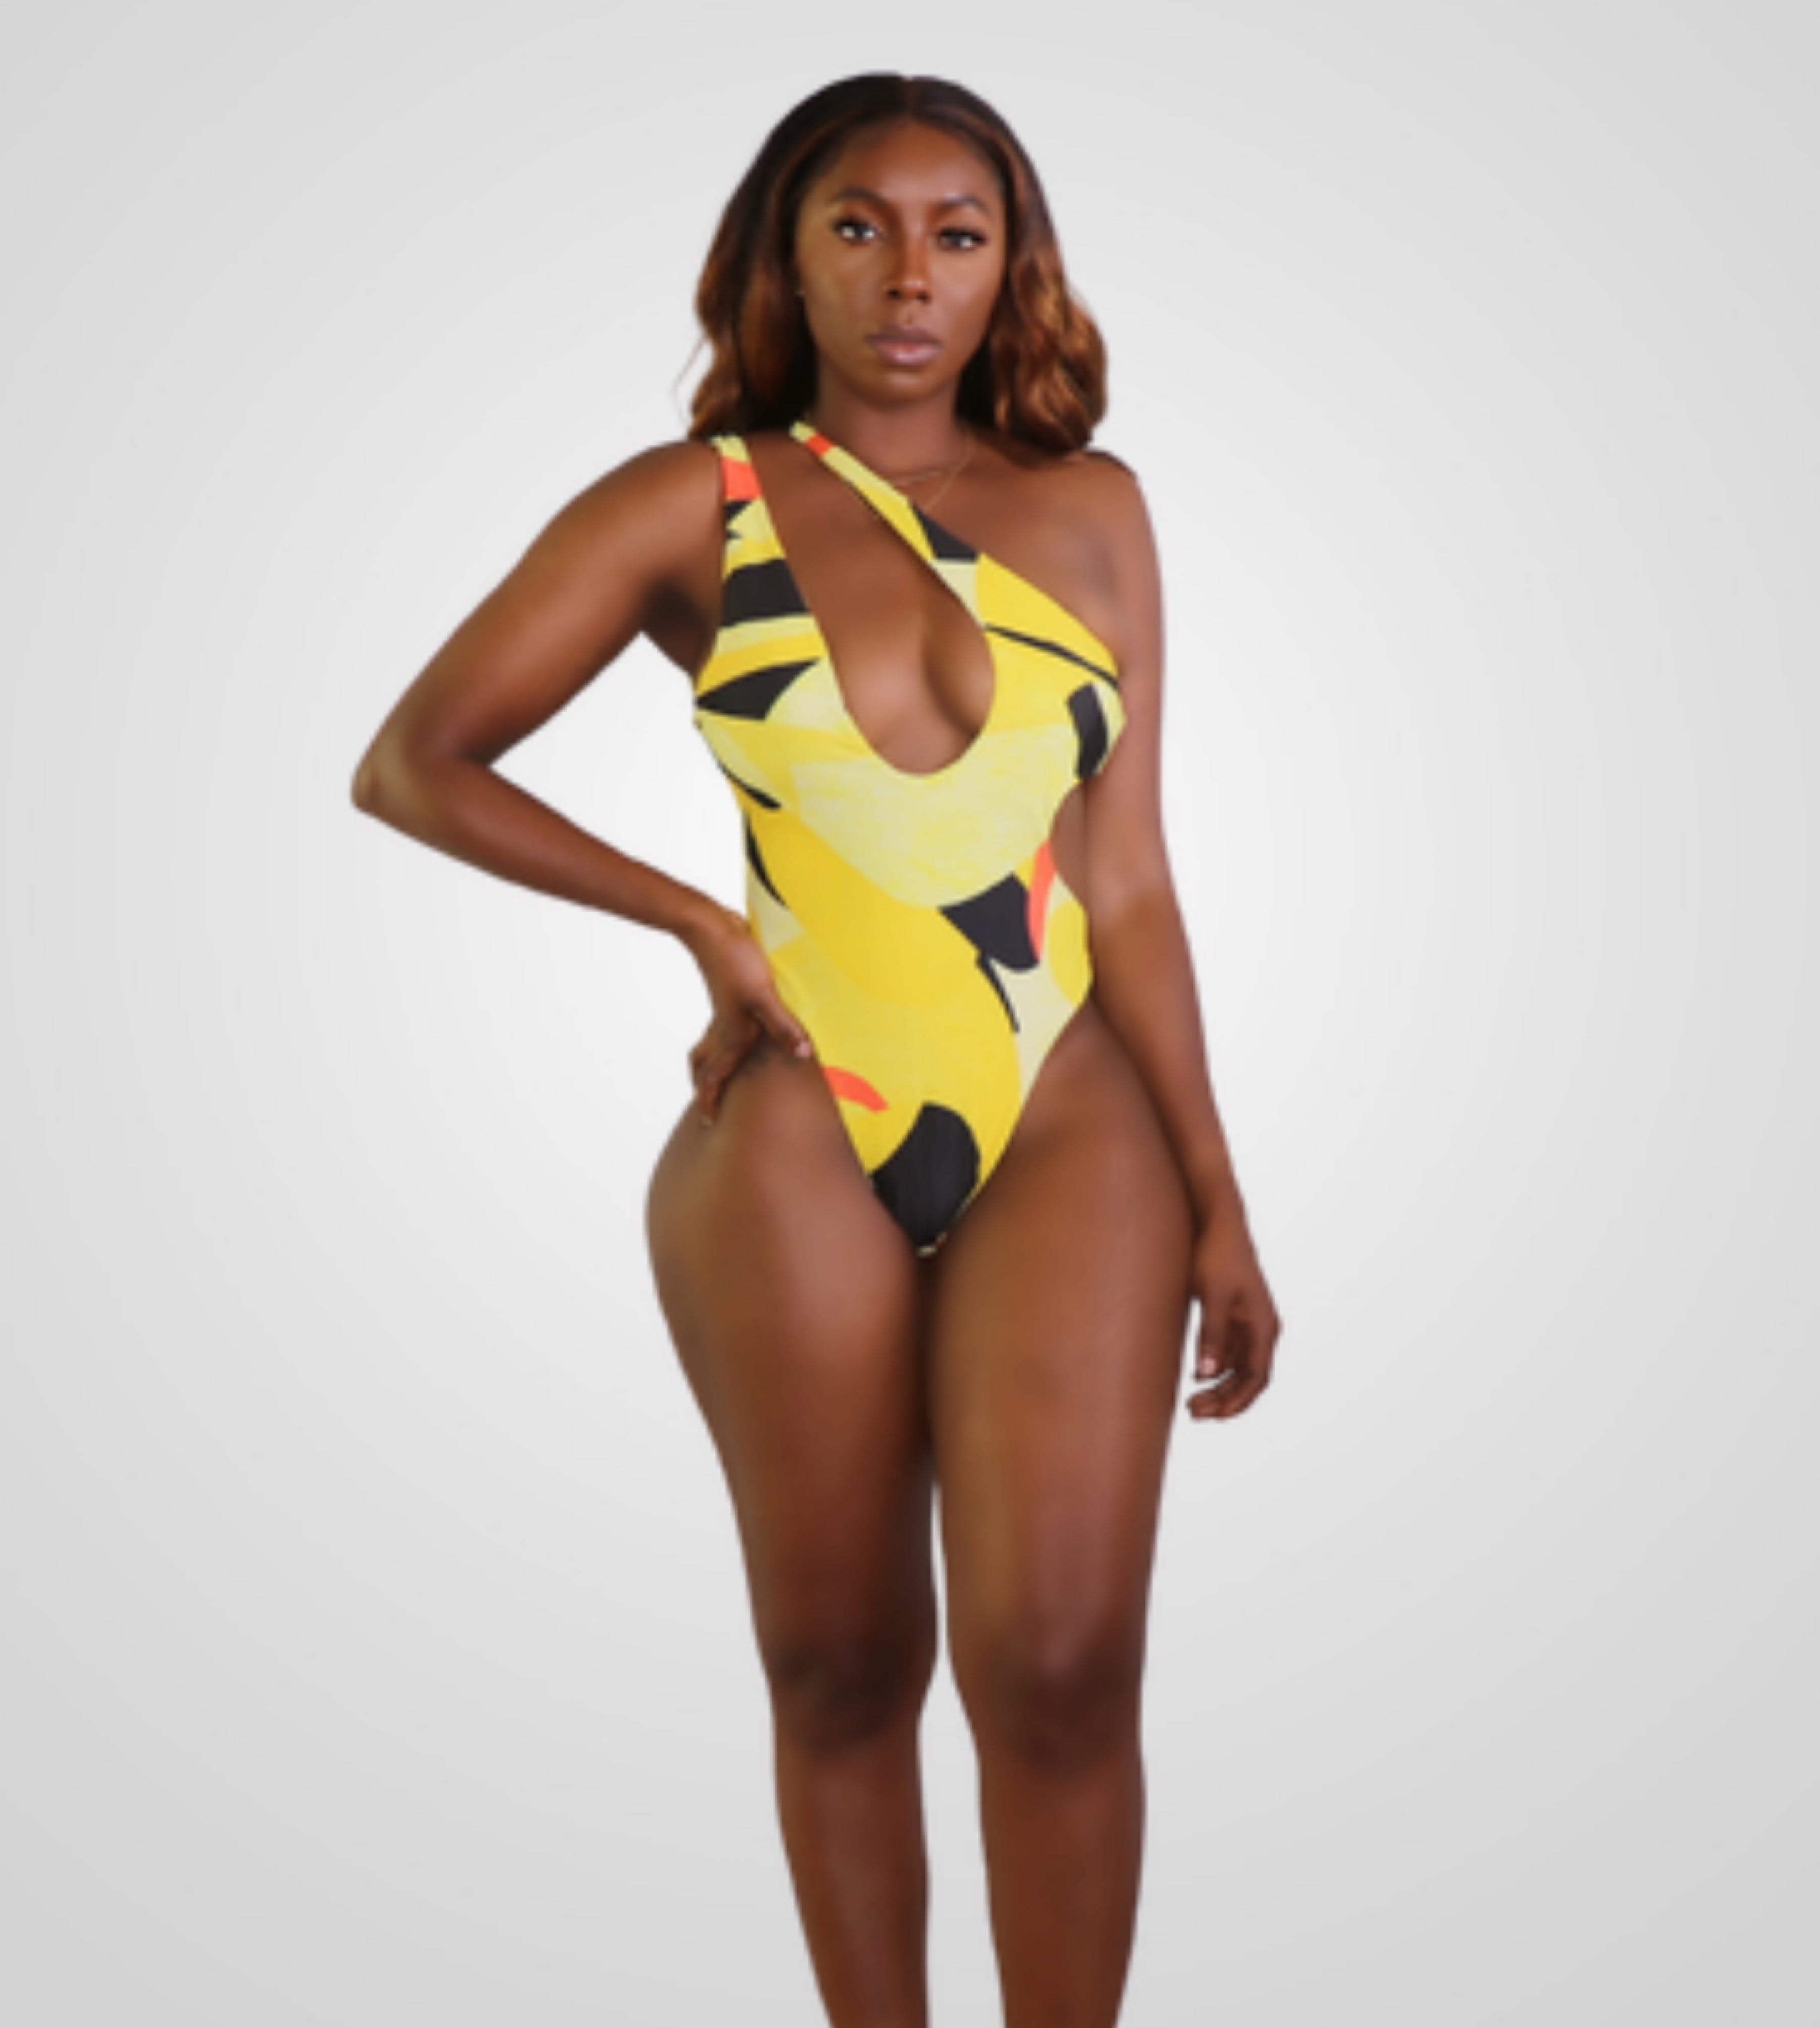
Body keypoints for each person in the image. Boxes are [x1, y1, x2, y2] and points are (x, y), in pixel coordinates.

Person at [352, 70, 1280, 2028]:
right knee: (840, 1663)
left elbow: (1131, 882)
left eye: (959, 232)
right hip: (795, 1126)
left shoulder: (1098, 512)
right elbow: (416, 763)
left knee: (1061, 1663)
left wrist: (1222, 1197)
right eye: (859, 227)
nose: (910, 276)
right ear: (786, 257)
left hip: (1070, 1115)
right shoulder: (694, 504)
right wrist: (696, 922)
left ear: (1014, 263)